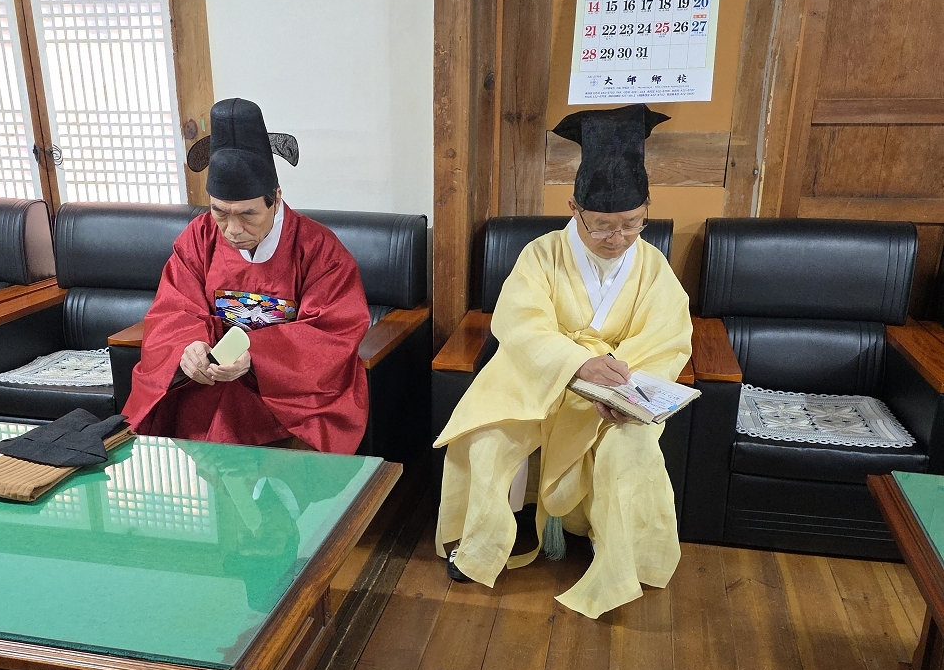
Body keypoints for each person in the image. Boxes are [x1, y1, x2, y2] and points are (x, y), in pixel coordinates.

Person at [434, 104, 692, 618]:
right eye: (602, 227)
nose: (618, 239)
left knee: (632, 444)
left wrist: (623, 393)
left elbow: (667, 340)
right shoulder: (541, 254)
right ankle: (482, 544)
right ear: (575, 209)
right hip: (537, 378)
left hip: (612, 389)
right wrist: (574, 364)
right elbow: (519, 323)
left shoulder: (653, 266)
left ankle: (618, 550)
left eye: (632, 224)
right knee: (491, 433)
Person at [123, 98, 370, 454]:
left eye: (248, 214)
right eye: (220, 213)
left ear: (276, 198)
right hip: (211, 385)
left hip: (289, 396)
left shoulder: (318, 249)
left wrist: (256, 357)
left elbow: (332, 332)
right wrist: (188, 347)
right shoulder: (198, 238)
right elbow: (173, 310)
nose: (232, 229)